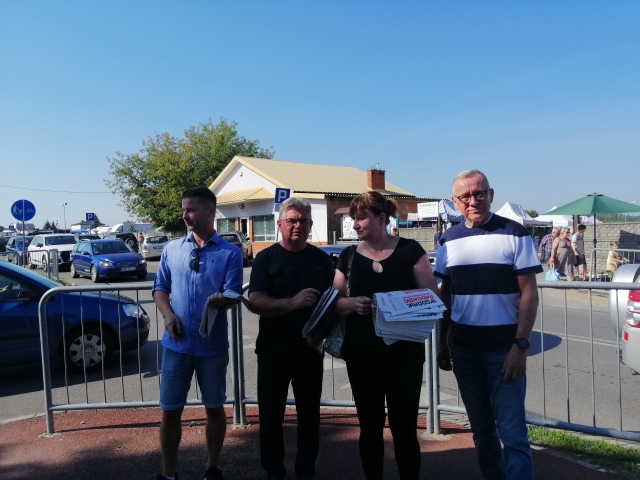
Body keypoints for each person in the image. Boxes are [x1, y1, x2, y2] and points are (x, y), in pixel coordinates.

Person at [435, 170, 541, 480]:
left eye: (479, 193)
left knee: (513, 434)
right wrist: (442, 343)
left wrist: (520, 347)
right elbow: (445, 295)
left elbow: (529, 294)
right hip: (464, 351)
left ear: (491, 194)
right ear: (455, 201)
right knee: (481, 430)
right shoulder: (448, 240)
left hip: (503, 351)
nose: (473, 200)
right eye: (465, 196)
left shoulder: (515, 233)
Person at [332, 191, 440, 480]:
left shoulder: (411, 250)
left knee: (404, 428)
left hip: (404, 356)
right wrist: (353, 304)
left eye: (360, 218)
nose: (355, 225)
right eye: (353, 219)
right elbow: (334, 303)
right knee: (369, 427)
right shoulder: (348, 256)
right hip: (362, 355)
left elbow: (432, 298)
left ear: (381, 218)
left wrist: (396, 304)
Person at [153, 187, 243, 480]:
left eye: (190, 209)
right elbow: (160, 288)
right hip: (176, 346)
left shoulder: (230, 253)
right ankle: (168, 474)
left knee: (214, 409)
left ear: (210, 211)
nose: (185, 215)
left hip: (211, 348)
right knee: (170, 412)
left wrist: (223, 300)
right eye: (184, 209)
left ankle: (212, 468)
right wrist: (167, 315)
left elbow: (233, 294)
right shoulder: (172, 249)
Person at [248, 197, 335, 480]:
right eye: (292, 220)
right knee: (270, 416)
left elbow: (334, 302)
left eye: (303, 221)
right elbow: (255, 301)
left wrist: (323, 332)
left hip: (309, 351)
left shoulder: (321, 260)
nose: (298, 226)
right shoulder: (266, 258)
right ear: (280, 224)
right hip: (272, 350)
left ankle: (305, 470)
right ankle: (274, 471)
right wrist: (293, 303)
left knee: (309, 416)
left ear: (311, 225)